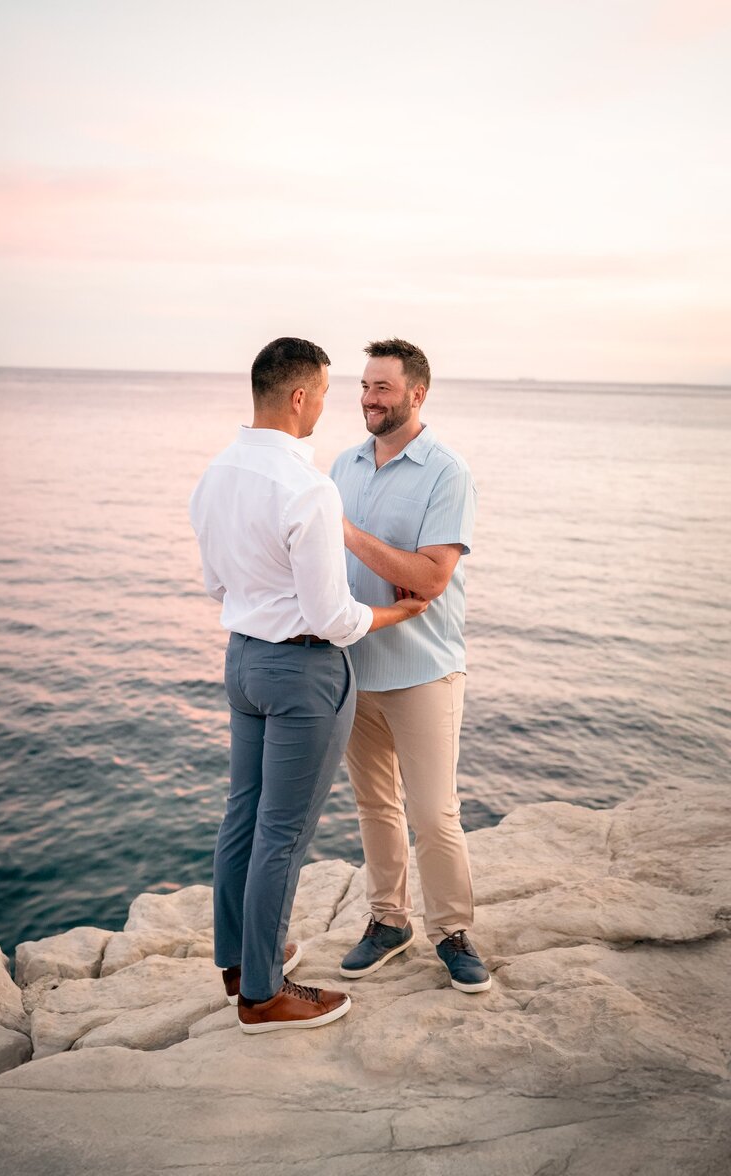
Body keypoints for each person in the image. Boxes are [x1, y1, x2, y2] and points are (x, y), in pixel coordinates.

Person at [189, 337, 427, 1034]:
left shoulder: (216, 473)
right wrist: (402, 611)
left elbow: (216, 584)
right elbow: (334, 618)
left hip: (243, 661)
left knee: (242, 815)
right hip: (303, 671)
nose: (328, 404)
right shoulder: (309, 487)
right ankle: (263, 996)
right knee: (283, 834)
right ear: (299, 397)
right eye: (324, 392)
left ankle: (239, 963)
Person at [329, 338, 491, 993]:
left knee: (433, 813)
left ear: (416, 394)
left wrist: (350, 535)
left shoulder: (446, 472)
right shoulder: (342, 464)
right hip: (352, 667)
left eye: (383, 388)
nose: (368, 398)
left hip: (424, 671)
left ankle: (451, 932)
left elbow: (430, 578)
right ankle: (388, 922)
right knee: (375, 807)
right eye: (364, 386)